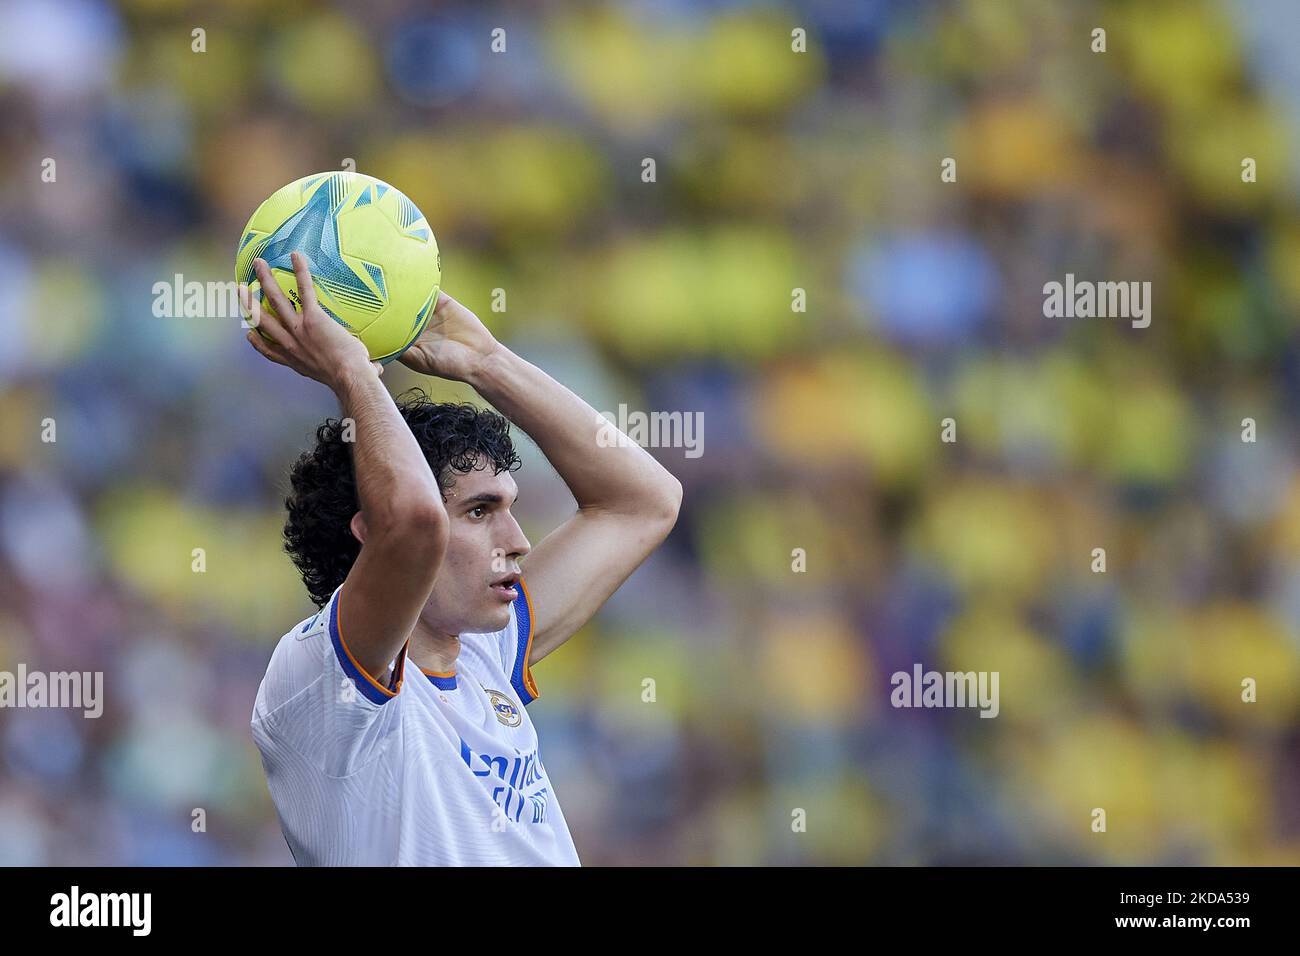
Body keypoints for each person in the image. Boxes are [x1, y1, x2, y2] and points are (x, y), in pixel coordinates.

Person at [245, 252, 682, 865]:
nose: (520, 539)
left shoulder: (482, 652)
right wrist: (354, 373)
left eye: (508, 506)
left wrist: (487, 363)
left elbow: (643, 502)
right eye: (479, 511)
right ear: (369, 532)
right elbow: (414, 524)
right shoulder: (320, 677)